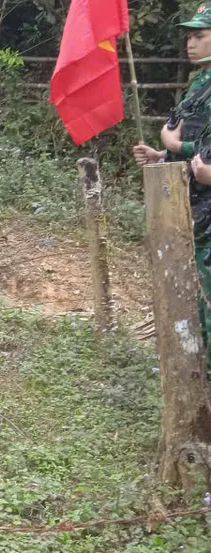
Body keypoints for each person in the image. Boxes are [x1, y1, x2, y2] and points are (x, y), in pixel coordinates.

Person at [137, 6, 211, 373]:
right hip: (196, 206)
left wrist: (175, 144)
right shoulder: (200, 83)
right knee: (195, 292)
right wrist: (161, 153)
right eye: (188, 36)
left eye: (200, 35)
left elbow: (200, 149)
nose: (191, 43)